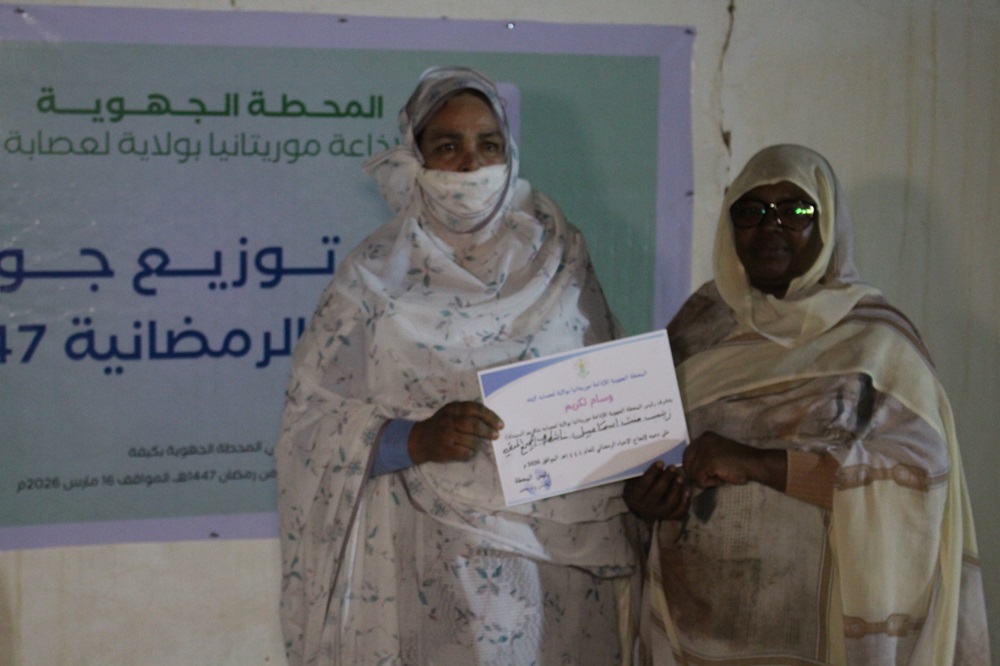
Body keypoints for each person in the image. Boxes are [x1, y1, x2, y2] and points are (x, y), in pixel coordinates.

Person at [276, 66, 639, 665]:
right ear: (415, 157)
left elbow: (606, 389)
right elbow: (309, 427)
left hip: (564, 561)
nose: (472, 164)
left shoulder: (559, 252)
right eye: (448, 146)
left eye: (488, 145)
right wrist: (413, 439)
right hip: (434, 559)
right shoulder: (371, 275)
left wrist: (642, 467)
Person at [625, 144, 990, 664]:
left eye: (795, 210)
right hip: (696, 631)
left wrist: (758, 463)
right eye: (751, 211)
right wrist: (644, 499)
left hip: (823, 634)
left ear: (828, 224)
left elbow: (918, 478)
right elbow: (642, 453)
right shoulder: (696, 327)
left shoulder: (877, 343)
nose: (770, 227)